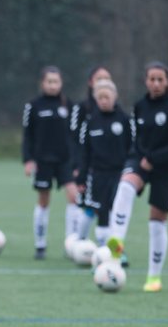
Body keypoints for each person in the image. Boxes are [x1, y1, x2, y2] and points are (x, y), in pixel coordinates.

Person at [105, 62, 168, 291]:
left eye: (160, 79)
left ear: (167, 82)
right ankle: (117, 241)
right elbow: (136, 137)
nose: (156, 83)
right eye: (152, 79)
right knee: (126, 186)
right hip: (141, 159)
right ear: (146, 81)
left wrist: (154, 158)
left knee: (157, 222)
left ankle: (153, 277)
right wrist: (141, 158)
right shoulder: (140, 106)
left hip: (166, 167)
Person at [21, 66, 78, 260]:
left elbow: (75, 136)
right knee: (44, 201)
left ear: (61, 84)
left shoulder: (69, 105)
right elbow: (27, 136)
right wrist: (28, 160)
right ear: (42, 83)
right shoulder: (34, 106)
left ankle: (71, 245)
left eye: (56, 82)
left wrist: (76, 163)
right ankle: (40, 244)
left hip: (65, 161)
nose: (53, 85)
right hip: (43, 161)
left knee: (74, 197)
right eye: (49, 82)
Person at [77, 78, 134, 249]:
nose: (103, 101)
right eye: (100, 98)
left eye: (106, 97)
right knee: (99, 211)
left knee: (115, 211)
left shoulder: (124, 120)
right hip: (97, 174)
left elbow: (132, 147)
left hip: (119, 174)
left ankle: (116, 249)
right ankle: (100, 248)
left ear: (114, 97)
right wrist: (81, 177)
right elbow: (84, 152)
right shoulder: (90, 122)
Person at [69, 65, 112, 241]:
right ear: (90, 82)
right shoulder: (82, 109)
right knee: (88, 206)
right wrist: (77, 166)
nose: (103, 83)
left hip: (112, 170)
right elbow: (74, 140)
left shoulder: (118, 114)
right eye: (99, 79)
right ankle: (79, 242)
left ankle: (111, 248)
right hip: (90, 168)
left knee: (110, 210)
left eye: (107, 79)